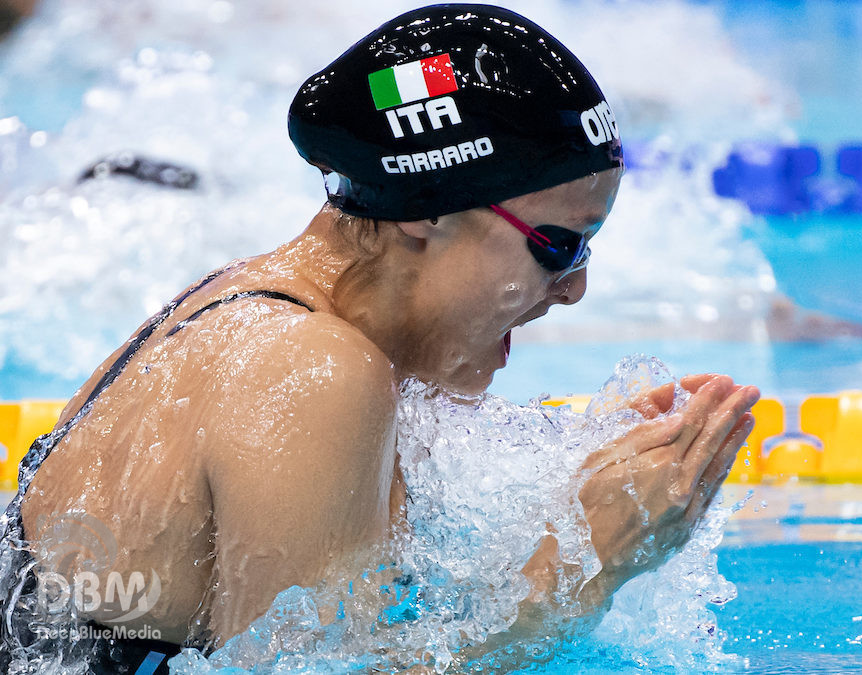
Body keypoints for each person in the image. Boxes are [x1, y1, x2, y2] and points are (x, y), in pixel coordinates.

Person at [0, 4, 758, 672]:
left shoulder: (248, 309)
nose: (574, 287)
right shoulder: (313, 370)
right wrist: (580, 573)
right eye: (558, 244)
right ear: (429, 208)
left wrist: (571, 489)